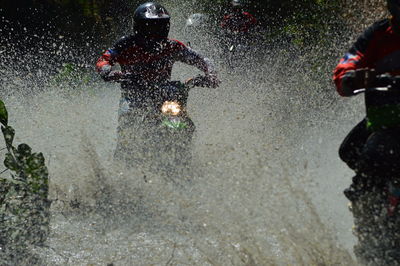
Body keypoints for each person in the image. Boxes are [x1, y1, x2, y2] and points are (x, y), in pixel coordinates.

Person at [96, 2, 219, 163]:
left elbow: (201, 59)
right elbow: (104, 59)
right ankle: (122, 166)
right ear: (139, 26)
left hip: (165, 94)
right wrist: (107, 71)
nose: (155, 30)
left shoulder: (172, 46)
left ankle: (186, 160)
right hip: (133, 96)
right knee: (127, 126)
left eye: (159, 25)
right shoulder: (125, 44)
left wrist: (211, 74)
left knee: (185, 121)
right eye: (151, 26)